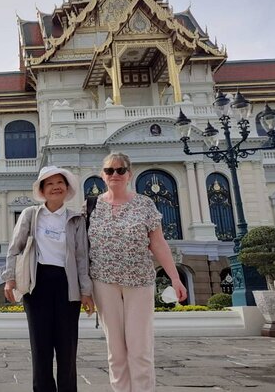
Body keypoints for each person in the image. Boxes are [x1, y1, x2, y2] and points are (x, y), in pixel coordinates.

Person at [87, 152, 187, 392]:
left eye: (120, 170)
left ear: (129, 174)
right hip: (104, 281)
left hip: (139, 281)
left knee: (139, 347)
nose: (115, 174)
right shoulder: (91, 206)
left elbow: (158, 243)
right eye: (110, 170)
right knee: (116, 350)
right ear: (102, 175)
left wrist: (175, 278)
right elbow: (81, 248)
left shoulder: (144, 204)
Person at [2, 166, 94, 392]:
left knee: (67, 347)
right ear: (42, 190)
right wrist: (10, 278)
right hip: (37, 283)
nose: (55, 187)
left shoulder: (76, 220)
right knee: (41, 346)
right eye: (49, 184)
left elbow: (82, 257)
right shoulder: (31, 215)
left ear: (67, 188)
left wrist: (86, 290)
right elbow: (15, 248)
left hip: (67, 284)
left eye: (59, 183)